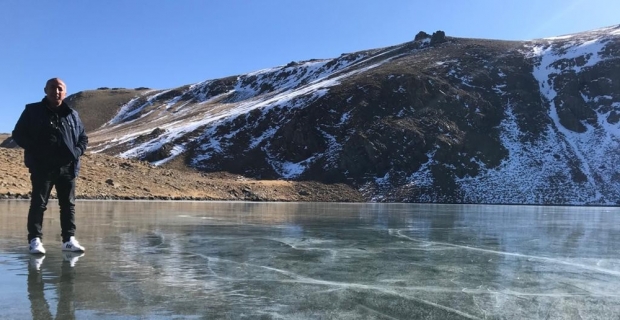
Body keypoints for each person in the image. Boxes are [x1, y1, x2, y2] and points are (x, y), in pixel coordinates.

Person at [12, 78, 88, 254]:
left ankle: (68, 240)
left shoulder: (72, 114)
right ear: (45, 90)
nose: (56, 91)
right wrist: (36, 150)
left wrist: (76, 152)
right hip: (42, 166)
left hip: (67, 167)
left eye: (60, 88)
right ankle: (35, 240)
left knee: (68, 204)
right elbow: (18, 134)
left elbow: (83, 138)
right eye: (53, 88)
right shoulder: (32, 111)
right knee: (39, 203)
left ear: (65, 92)